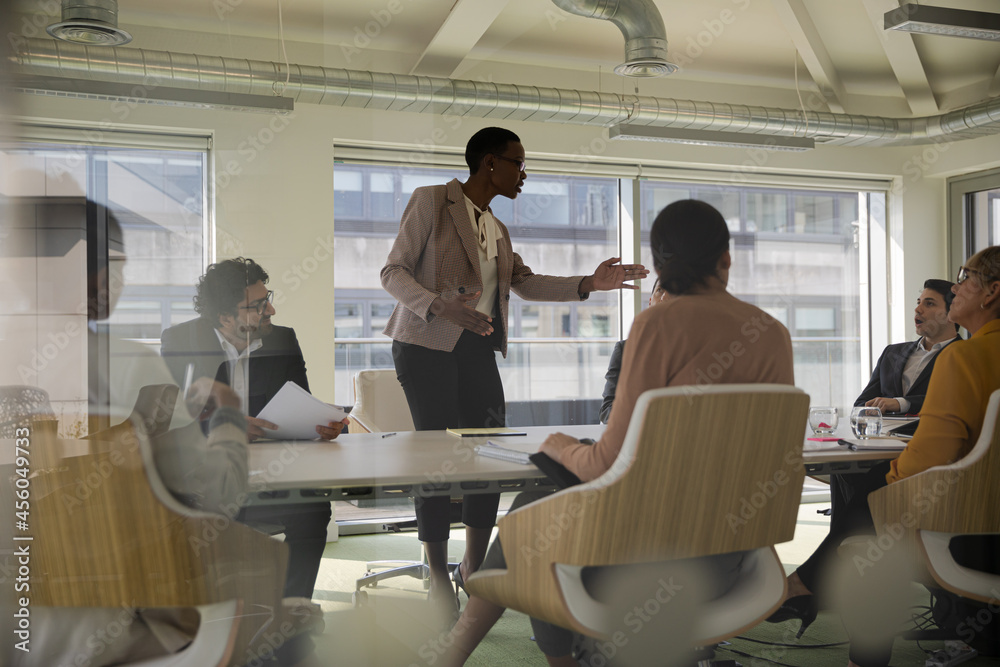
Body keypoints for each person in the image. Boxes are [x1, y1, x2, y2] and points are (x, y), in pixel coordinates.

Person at [439, 199, 795, 666]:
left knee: (531, 520)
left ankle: (460, 654)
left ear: (661, 269)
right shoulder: (772, 333)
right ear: (726, 260)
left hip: (639, 562)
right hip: (733, 561)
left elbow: (609, 462)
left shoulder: (655, 325)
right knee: (535, 512)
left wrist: (560, 445)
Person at [380, 126, 649, 611]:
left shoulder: (496, 229)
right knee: (436, 458)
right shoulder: (431, 201)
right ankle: (438, 572)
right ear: (489, 163)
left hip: (477, 348)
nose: (524, 174)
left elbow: (523, 282)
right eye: (518, 163)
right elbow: (392, 272)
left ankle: (475, 566)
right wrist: (440, 306)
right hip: (425, 344)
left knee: (488, 451)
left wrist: (592, 282)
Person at [774, 246, 1000, 667]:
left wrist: (887, 489)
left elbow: (928, 461)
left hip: (969, 532)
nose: (956, 286)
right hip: (990, 520)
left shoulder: (963, 357)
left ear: (992, 292)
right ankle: (801, 587)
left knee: (869, 521)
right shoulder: (927, 352)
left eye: (965, 277)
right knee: (867, 501)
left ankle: (815, 605)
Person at [161, 257, 346, 600]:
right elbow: (169, 421)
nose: (271, 310)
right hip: (207, 476)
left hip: (271, 473)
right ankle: (213, 617)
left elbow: (298, 403)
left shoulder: (283, 341)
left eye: (268, 298)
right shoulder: (180, 340)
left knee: (313, 510)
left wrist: (322, 424)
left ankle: (292, 610)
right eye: (258, 305)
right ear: (224, 317)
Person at [854, 279, 960, 414]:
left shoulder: (966, 355)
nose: (917, 309)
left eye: (929, 304)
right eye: (918, 302)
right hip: (881, 434)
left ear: (952, 313)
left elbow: (951, 401)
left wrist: (901, 403)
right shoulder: (892, 353)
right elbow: (861, 404)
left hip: (929, 433)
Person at [599, 276, 667, 423]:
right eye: (660, 290)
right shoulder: (625, 350)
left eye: (673, 292)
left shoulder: (693, 352)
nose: (664, 297)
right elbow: (606, 411)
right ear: (650, 302)